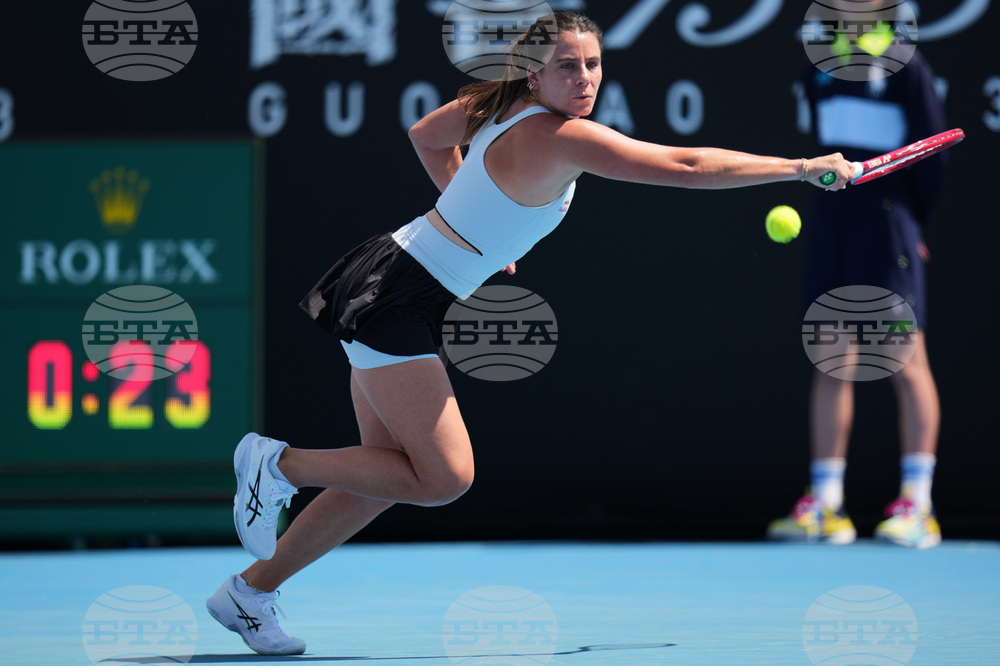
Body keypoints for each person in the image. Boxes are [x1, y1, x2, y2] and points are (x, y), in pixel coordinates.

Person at [206, 12, 855, 656]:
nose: (584, 78)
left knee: (384, 476)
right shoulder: (560, 136)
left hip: (397, 271)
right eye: (567, 65)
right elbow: (684, 165)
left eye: (593, 64)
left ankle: (250, 592)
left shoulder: (492, 104)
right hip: (398, 297)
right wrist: (799, 167)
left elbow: (425, 138)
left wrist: (476, 217)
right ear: (533, 71)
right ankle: (277, 464)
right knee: (444, 478)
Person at [767, 5, 946, 549]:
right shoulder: (816, 64)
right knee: (831, 355)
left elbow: (931, 157)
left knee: (902, 359)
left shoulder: (906, 66)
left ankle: (918, 504)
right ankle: (826, 504)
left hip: (886, 222)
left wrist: (910, 222)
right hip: (830, 221)